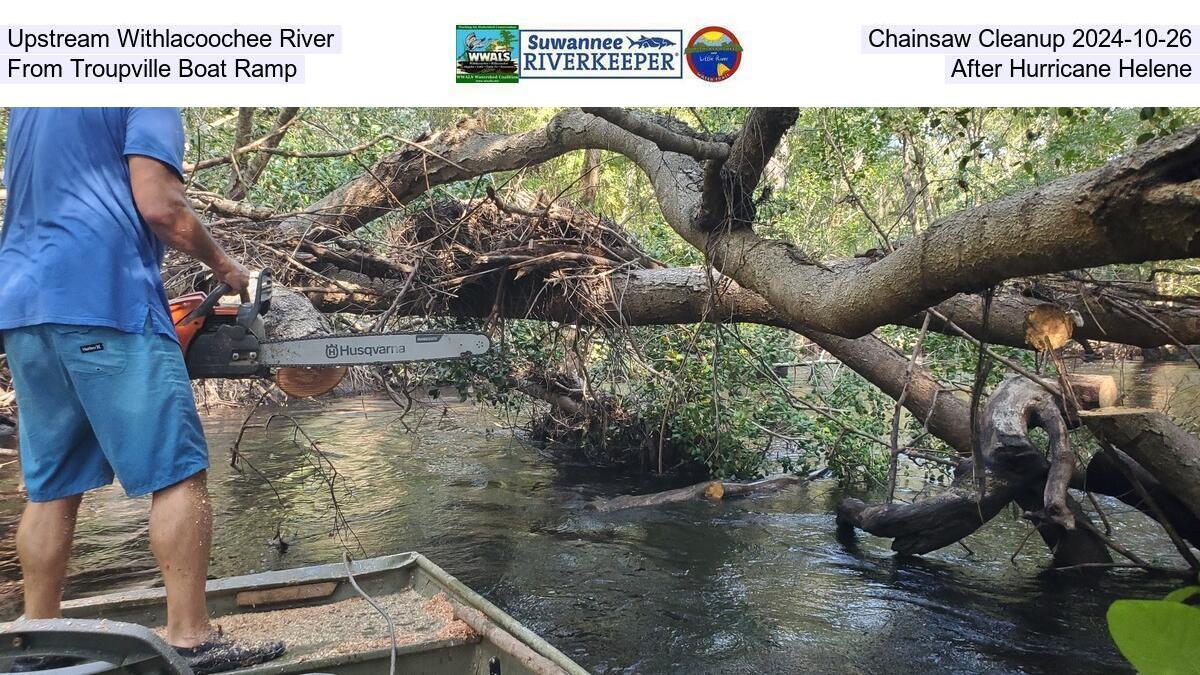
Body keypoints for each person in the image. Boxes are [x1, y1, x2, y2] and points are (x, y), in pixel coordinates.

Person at [0, 108, 285, 673]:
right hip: (106, 299)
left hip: (25, 307)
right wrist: (228, 269)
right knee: (178, 472)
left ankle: (38, 640)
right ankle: (191, 638)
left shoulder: (36, 102)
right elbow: (161, 207)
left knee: (51, 484)